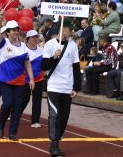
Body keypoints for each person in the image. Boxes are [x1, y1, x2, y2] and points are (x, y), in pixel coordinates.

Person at [41, 22, 81, 157]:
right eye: (70, 29)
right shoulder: (50, 44)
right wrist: (54, 57)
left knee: (64, 117)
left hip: (67, 87)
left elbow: (76, 67)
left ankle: (57, 139)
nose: (72, 32)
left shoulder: (73, 46)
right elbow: (44, 66)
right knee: (54, 115)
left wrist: (76, 87)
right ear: (63, 29)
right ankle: (54, 143)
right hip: (53, 86)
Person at [0, 13, 35, 141]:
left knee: (17, 107)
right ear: (7, 32)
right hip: (5, 80)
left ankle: (12, 132)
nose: (16, 32)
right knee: (7, 104)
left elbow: (27, 63)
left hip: (19, 82)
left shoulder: (23, 46)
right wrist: (0, 19)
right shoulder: (3, 43)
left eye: (17, 30)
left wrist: (32, 79)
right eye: (13, 30)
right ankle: (1, 126)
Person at [21, 30, 44, 128]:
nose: (35, 39)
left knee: (37, 100)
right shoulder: (23, 49)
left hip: (38, 79)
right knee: (24, 99)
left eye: (36, 37)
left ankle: (35, 121)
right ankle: (16, 113)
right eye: (33, 37)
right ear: (28, 39)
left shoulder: (41, 50)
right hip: (25, 80)